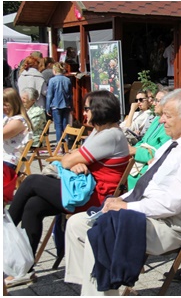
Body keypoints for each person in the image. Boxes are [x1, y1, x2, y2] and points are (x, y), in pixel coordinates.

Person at [63, 90, 181, 296]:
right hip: (149, 214)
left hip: (168, 225)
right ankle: (97, 288)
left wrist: (127, 206)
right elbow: (146, 187)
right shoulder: (172, 146)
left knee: (101, 230)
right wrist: (121, 199)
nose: (161, 120)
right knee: (76, 224)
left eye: (167, 116)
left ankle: (99, 291)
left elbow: (173, 204)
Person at [9, 91, 130, 264]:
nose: (83, 113)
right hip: (86, 190)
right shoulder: (101, 132)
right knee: (33, 205)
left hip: (97, 197)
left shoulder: (110, 135)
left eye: (87, 108)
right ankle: (24, 267)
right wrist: (75, 162)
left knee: (32, 181)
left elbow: (66, 160)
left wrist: (73, 161)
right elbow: (71, 158)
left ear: (99, 108)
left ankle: (6, 229)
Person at [127, 89, 171, 189]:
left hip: (149, 172)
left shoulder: (169, 126)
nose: (154, 103)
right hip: (139, 167)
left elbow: (161, 154)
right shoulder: (156, 120)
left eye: (158, 100)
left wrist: (135, 151)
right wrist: (132, 149)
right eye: (154, 100)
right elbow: (143, 141)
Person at [3, 88, 32, 204]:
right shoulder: (9, 119)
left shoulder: (19, 121)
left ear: (14, 103)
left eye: (5, 105)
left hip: (8, 162)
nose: (3, 108)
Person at [46, 62, 73, 144]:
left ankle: (59, 143)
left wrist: (47, 107)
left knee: (58, 125)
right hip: (66, 104)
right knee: (65, 125)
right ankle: (66, 142)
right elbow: (70, 94)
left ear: (54, 71)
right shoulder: (67, 80)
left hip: (55, 105)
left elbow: (49, 95)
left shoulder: (52, 80)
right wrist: (71, 106)